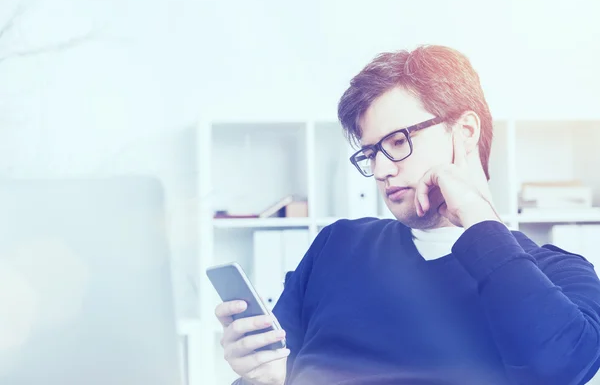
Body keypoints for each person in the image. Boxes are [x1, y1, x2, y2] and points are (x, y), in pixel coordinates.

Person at [214, 45, 600, 385]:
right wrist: (258, 379)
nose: (381, 169)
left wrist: (479, 218)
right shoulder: (337, 246)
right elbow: (274, 373)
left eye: (398, 142)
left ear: (464, 132)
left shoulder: (560, 275)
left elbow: (559, 370)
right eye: (370, 153)